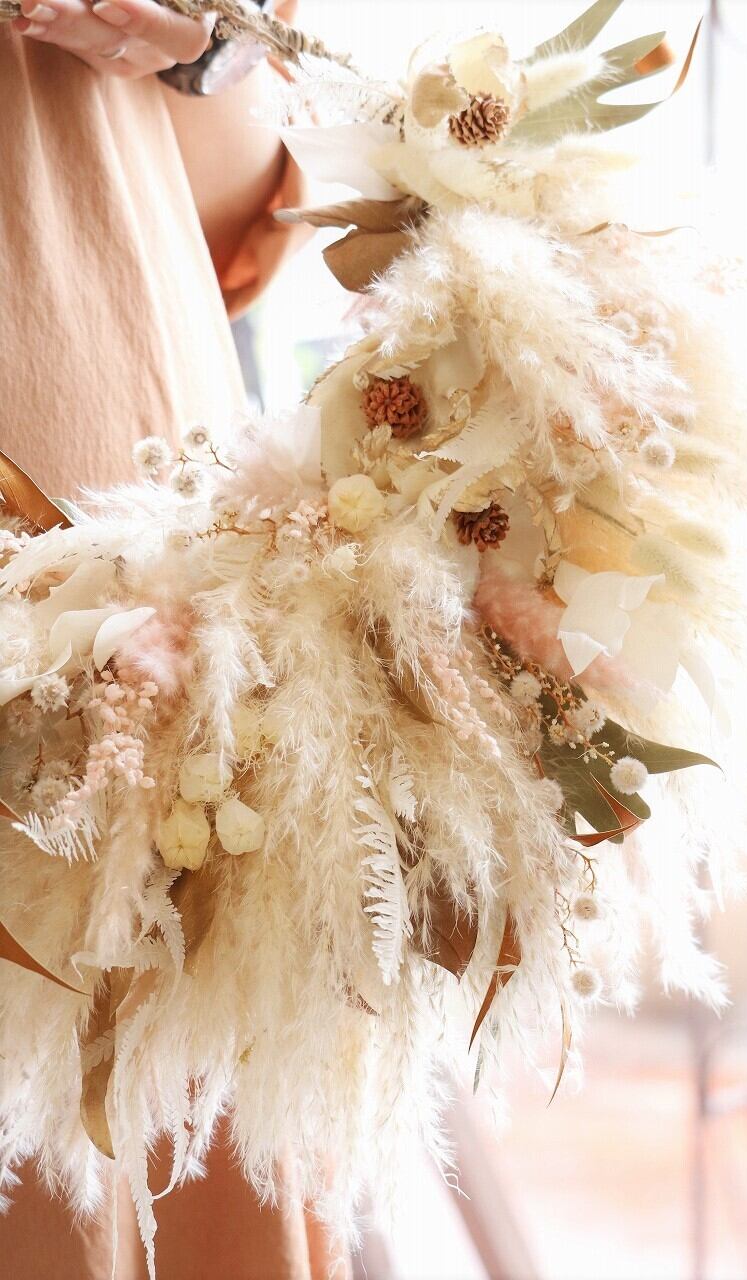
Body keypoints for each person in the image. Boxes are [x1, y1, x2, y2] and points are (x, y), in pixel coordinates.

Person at [0, 7, 344, 1277]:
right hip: (76, 386)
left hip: (89, 457)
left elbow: (244, 153)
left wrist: (207, 47)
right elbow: (243, 179)